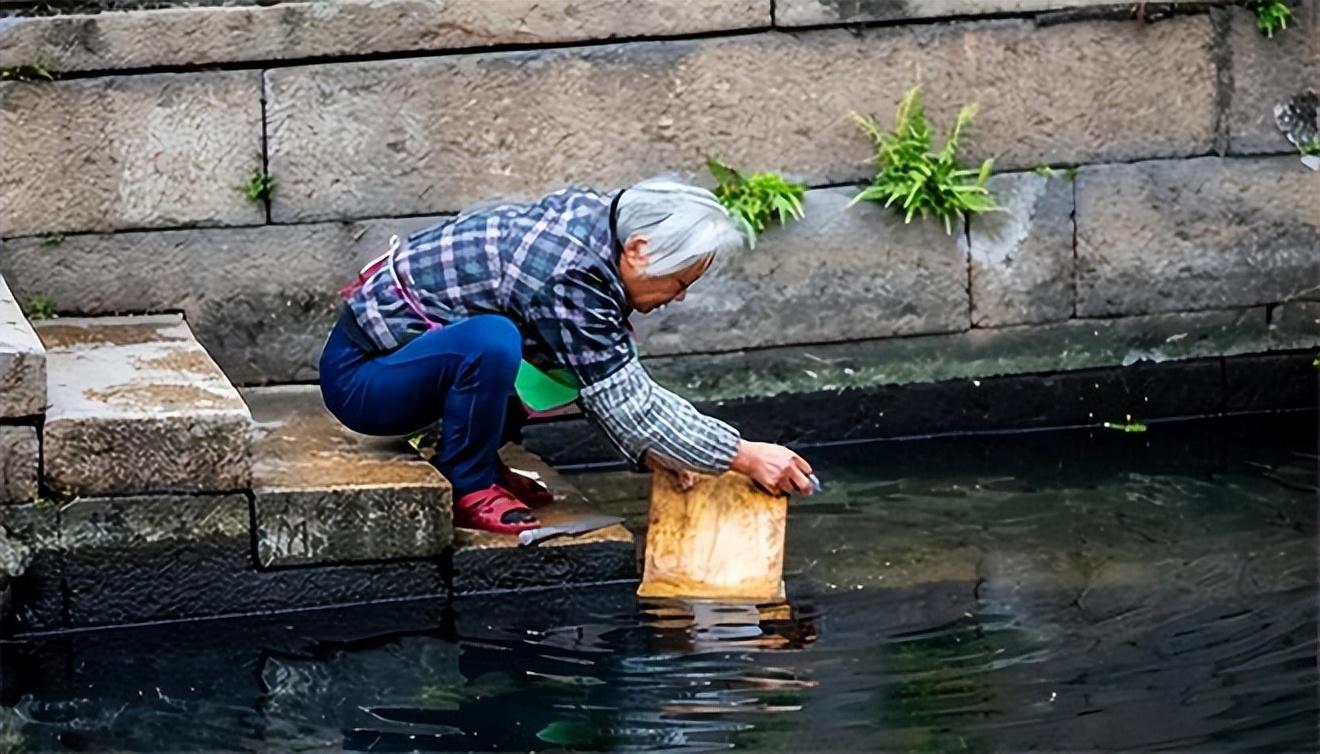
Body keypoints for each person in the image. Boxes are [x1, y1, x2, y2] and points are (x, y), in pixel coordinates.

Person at [320, 178, 815, 534]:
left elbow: (600, 384)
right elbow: (627, 402)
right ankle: (467, 484)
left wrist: (663, 448)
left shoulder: (598, 228)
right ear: (639, 249)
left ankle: (484, 464)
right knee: (493, 340)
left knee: (542, 358)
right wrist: (744, 455)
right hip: (365, 384)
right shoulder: (569, 273)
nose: (679, 296)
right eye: (679, 281)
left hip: (411, 366)